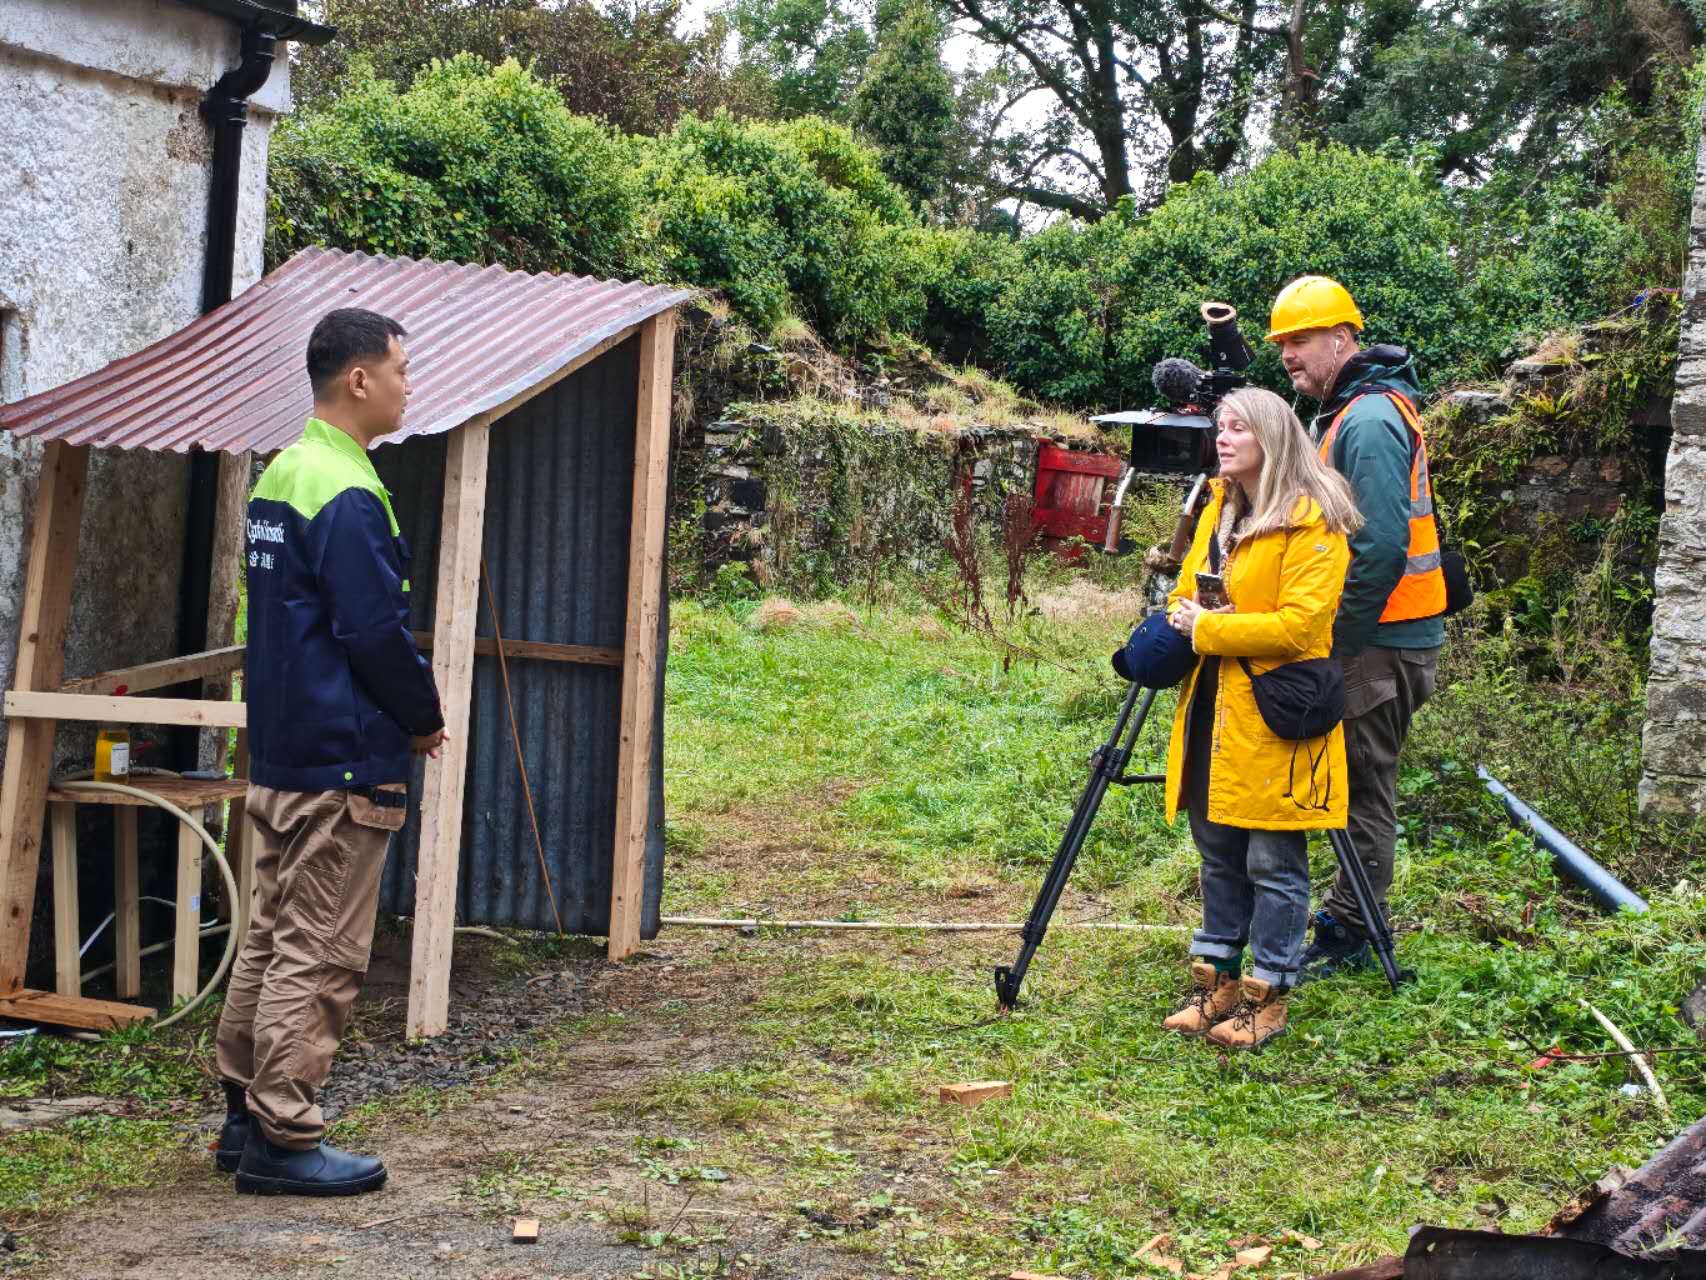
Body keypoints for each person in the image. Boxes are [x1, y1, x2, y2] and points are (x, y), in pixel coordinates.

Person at [213, 308, 446, 1196]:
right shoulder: (347, 489)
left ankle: (243, 1119)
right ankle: (284, 1133)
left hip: (282, 754)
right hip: (343, 763)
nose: (407, 386)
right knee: (319, 950)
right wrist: (421, 716)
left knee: (271, 939)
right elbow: (372, 630)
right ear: (359, 379)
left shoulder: (283, 474)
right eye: (401, 369)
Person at [1159, 387, 1361, 1049]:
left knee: (1273, 862)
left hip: (1275, 713)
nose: (1223, 437)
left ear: (1272, 437)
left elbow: (1301, 626)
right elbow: (1185, 591)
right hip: (1211, 707)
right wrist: (1181, 617)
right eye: (1221, 426)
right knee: (1217, 852)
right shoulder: (1221, 507)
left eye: (1239, 428)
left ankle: (1267, 996)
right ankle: (1217, 982)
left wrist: (1207, 628)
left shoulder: (1313, 520)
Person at [1267, 277, 1446, 982]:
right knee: (1354, 777)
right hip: (1381, 631)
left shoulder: (1367, 419)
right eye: (1282, 343)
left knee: (1363, 782)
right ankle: (1350, 916)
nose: (1289, 354)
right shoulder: (1352, 410)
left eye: (1301, 339)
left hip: (1380, 637)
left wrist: (1332, 639)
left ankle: (1353, 930)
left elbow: (1378, 548)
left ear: (1342, 338)